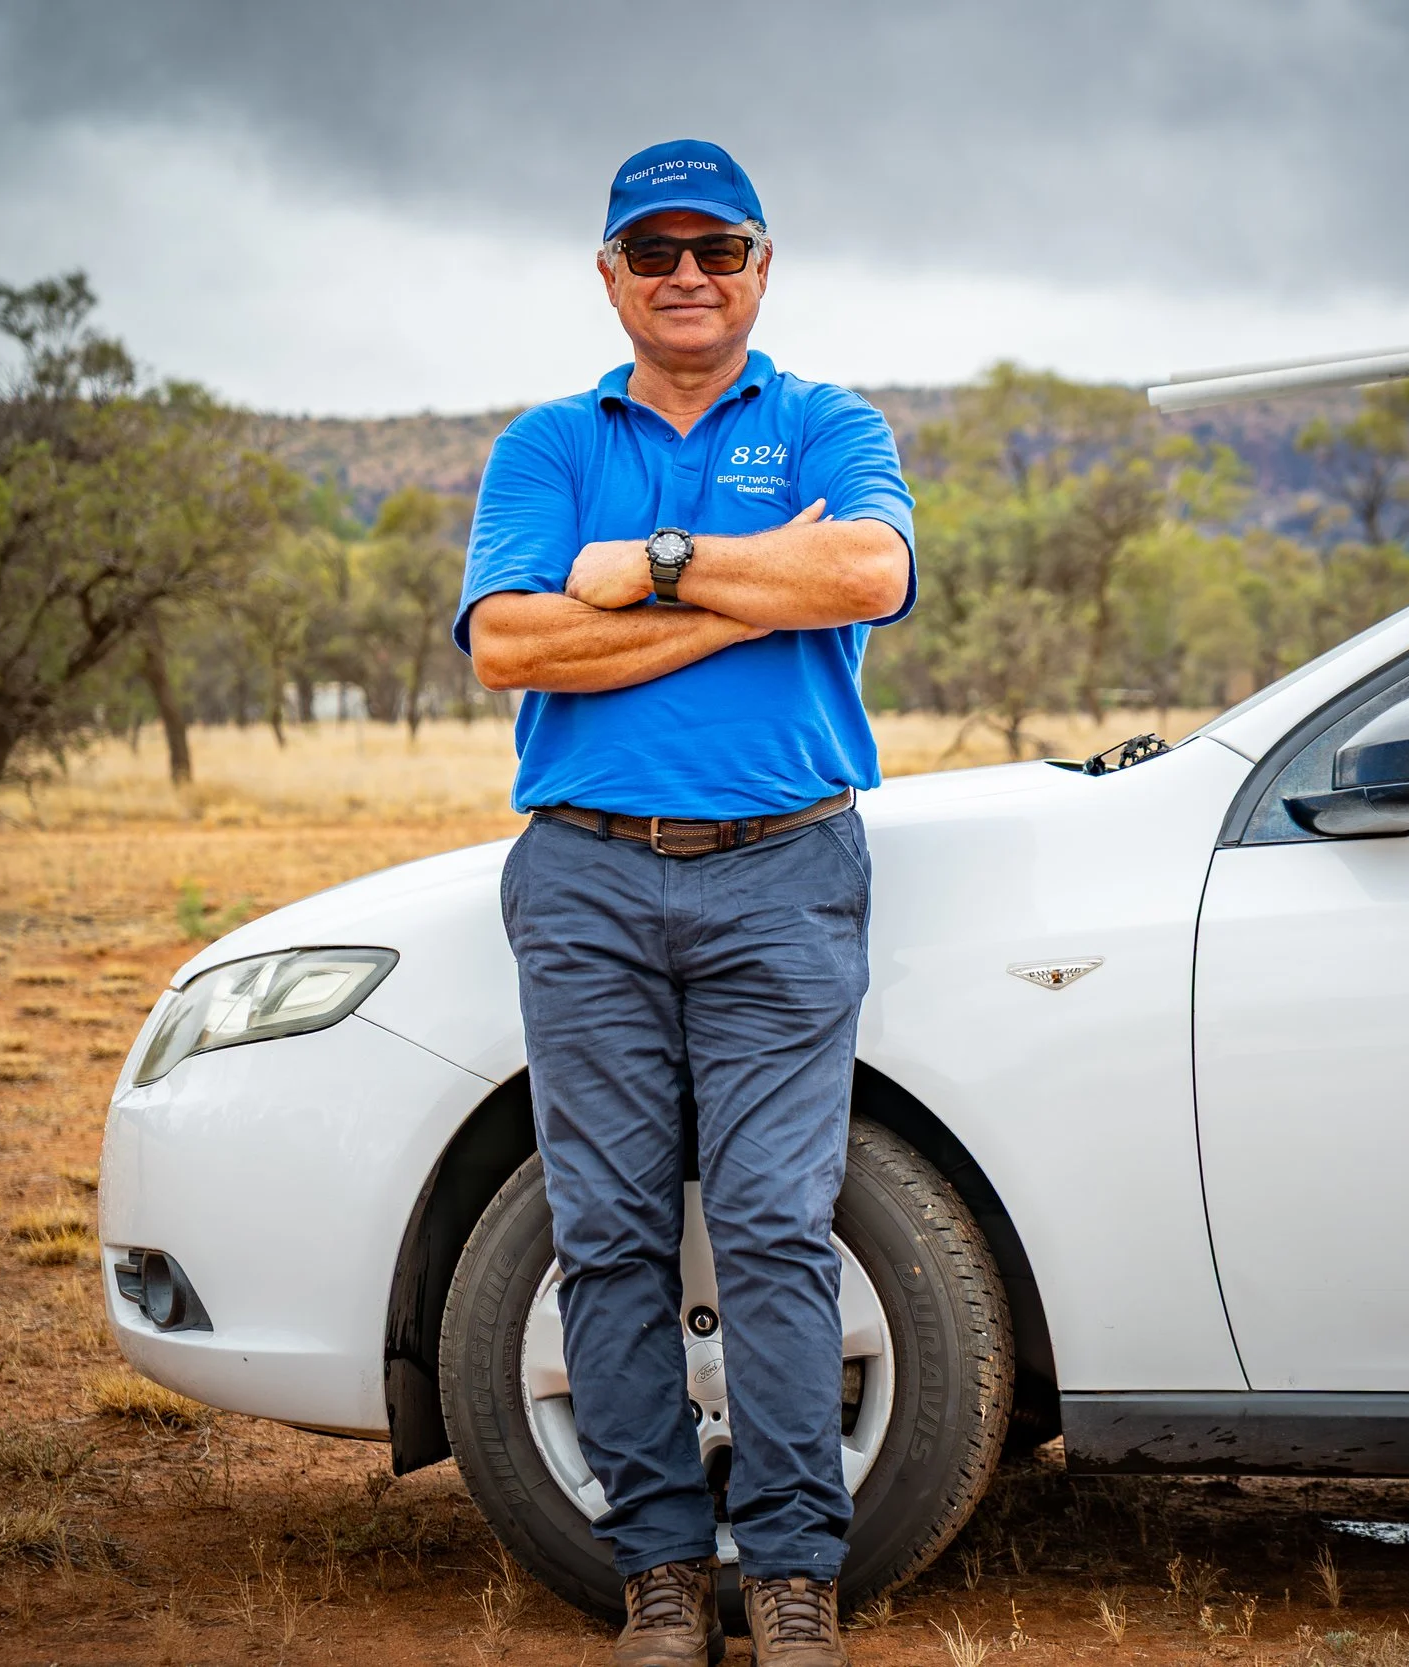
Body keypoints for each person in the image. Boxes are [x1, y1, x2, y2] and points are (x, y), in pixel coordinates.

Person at [454, 139, 915, 1667]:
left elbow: (858, 572)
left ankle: (791, 1571)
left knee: (780, 1226)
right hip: (584, 872)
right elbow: (513, 646)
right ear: (610, 276)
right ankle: (659, 1568)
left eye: (717, 248)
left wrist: (647, 572)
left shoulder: (829, 423)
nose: (687, 276)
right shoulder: (544, 443)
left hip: (786, 872)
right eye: (654, 252)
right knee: (606, 1230)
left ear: (761, 266)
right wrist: (739, 600)